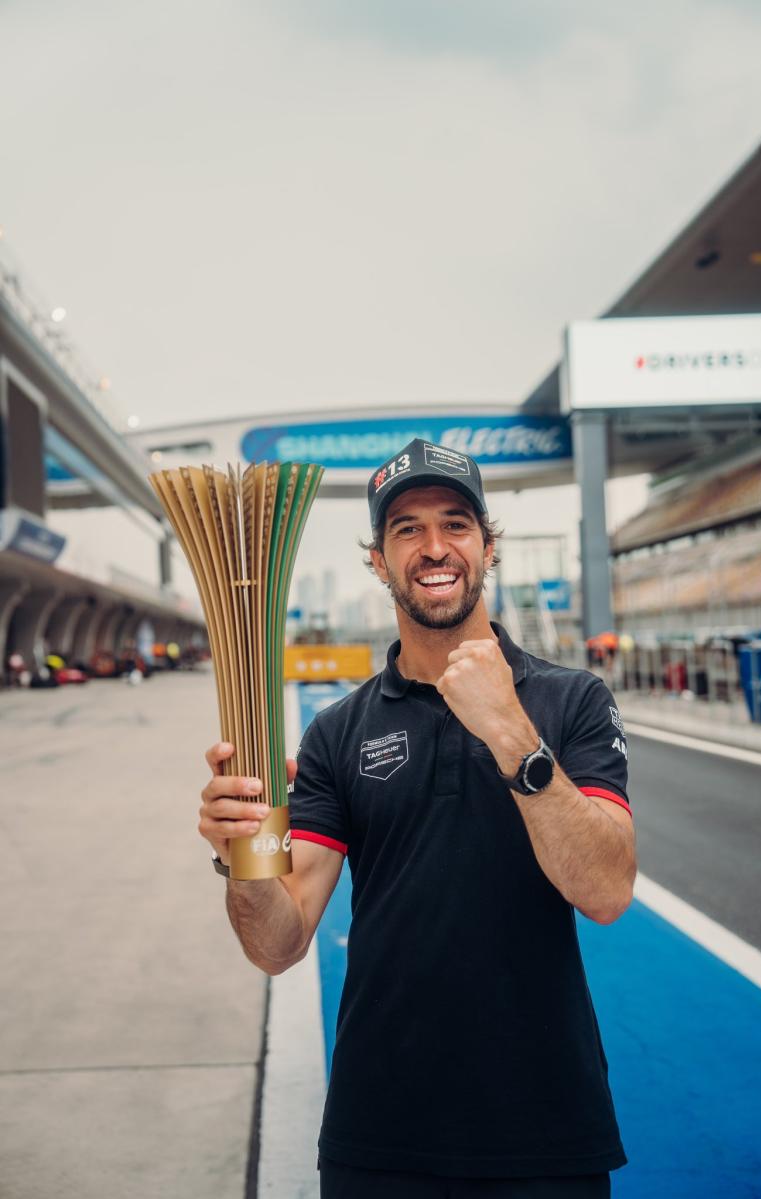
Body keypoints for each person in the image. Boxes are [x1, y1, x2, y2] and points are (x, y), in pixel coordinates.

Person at [199, 439, 637, 1198]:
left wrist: (511, 732)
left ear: (488, 545)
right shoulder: (336, 731)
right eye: (407, 529)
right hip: (380, 1131)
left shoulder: (573, 701)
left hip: (547, 1126)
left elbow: (605, 891)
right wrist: (242, 854)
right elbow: (278, 943)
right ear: (379, 559)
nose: (434, 547)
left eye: (455, 524)